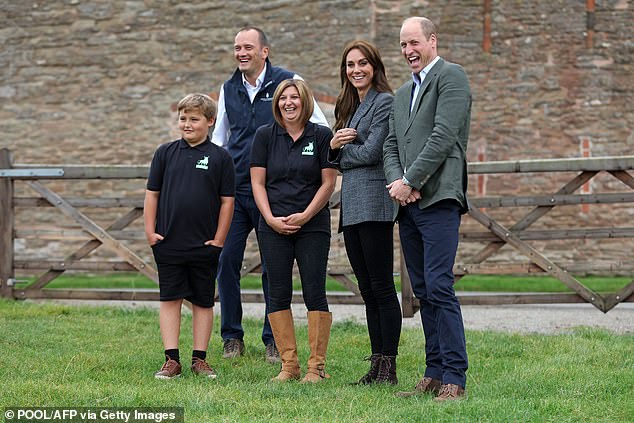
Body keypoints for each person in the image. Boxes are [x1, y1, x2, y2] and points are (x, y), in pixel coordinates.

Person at [211, 26, 329, 363]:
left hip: (275, 192)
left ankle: (273, 340)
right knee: (226, 261)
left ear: (265, 51)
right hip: (236, 191)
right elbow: (220, 140)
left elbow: (318, 126)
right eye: (236, 47)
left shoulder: (288, 81)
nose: (241, 53)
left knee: (271, 267)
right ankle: (232, 336)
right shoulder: (228, 88)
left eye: (248, 47)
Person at [383, 17, 471, 401]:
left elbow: (443, 135)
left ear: (432, 41)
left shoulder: (452, 76)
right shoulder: (402, 94)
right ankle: (433, 372)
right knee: (421, 290)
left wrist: (412, 181)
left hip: (439, 198)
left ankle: (455, 376)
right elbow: (390, 145)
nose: (408, 51)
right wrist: (398, 185)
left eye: (414, 43)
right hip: (408, 203)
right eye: (403, 45)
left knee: (439, 285)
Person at [250, 79, 337, 383]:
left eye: (295, 97)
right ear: (277, 103)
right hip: (273, 226)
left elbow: (328, 183)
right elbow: (257, 183)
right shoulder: (264, 136)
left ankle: (316, 367)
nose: (289, 102)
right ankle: (289, 366)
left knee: (315, 290)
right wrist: (271, 218)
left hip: (312, 225)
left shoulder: (322, 135)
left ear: (305, 101)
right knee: (278, 292)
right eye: (283, 98)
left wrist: (305, 216)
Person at [145, 93, 235, 379]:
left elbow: (227, 202)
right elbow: (152, 195)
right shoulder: (165, 153)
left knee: (203, 301)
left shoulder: (220, 158)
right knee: (169, 299)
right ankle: (172, 360)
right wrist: (150, 231)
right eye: (183, 118)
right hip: (168, 242)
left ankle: (199, 359)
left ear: (210, 122)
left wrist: (219, 239)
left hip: (205, 245)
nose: (187, 124)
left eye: (194, 119)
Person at [327, 40, 401, 385]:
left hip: (374, 203)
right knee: (367, 290)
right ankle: (376, 363)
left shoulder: (384, 102)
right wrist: (337, 147)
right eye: (350, 64)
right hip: (352, 206)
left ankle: (390, 366)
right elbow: (337, 155)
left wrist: (341, 149)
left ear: (375, 67)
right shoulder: (349, 106)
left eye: (362, 64)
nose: (356, 70)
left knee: (383, 287)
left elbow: (373, 152)